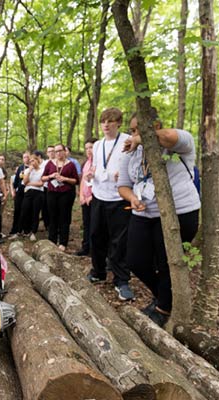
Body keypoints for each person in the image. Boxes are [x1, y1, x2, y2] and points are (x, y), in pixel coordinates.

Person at [118, 110, 201, 326]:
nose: (133, 134)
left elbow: (171, 137)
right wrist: (132, 199)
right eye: (132, 130)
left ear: (154, 126)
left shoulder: (178, 143)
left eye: (139, 129)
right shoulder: (131, 152)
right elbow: (123, 185)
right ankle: (166, 296)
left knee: (167, 262)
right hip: (143, 212)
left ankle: (163, 308)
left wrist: (139, 139)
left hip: (179, 212)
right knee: (136, 260)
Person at [88, 107, 135, 301]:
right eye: (103, 121)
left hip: (119, 197)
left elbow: (133, 166)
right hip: (99, 195)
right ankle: (98, 272)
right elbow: (96, 166)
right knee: (96, 235)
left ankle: (121, 280)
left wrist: (123, 175)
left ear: (118, 123)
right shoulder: (98, 145)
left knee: (119, 240)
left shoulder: (127, 141)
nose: (106, 125)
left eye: (110, 121)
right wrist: (93, 173)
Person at [41, 143, 78, 251]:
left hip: (66, 194)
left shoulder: (70, 164)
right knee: (52, 217)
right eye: (55, 151)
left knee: (64, 218)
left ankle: (63, 242)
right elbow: (43, 178)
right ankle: (52, 240)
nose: (57, 153)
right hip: (52, 193)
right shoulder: (50, 163)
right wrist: (51, 176)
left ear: (64, 151)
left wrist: (65, 179)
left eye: (59, 151)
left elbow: (76, 180)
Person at [77, 138, 97, 256]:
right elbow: (83, 181)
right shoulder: (86, 163)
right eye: (86, 148)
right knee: (86, 224)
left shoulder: (99, 162)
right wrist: (81, 195)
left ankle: (95, 250)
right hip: (85, 198)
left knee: (96, 225)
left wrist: (92, 196)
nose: (88, 150)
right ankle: (86, 248)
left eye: (91, 147)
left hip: (95, 198)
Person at [21, 153, 45, 241]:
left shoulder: (42, 170)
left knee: (35, 212)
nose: (32, 162)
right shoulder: (28, 170)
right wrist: (29, 171)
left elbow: (40, 184)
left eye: (33, 160)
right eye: (30, 161)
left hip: (38, 193)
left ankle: (33, 231)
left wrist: (30, 184)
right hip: (28, 192)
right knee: (25, 210)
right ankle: (26, 230)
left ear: (37, 160)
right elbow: (24, 182)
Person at [9, 151, 30, 238]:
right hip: (19, 192)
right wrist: (14, 190)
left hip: (28, 192)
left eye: (27, 157)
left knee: (26, 211)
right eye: (24, 157)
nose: (26, 159)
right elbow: (16, 180)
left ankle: (26, 229)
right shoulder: (20, 168)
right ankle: (15, 229)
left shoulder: (32, 167)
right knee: (17, 210)